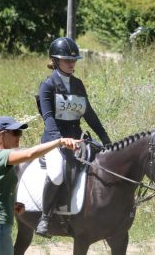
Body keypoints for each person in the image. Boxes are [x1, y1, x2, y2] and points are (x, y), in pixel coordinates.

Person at [35, 37, 111, 237]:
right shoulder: (47, 86)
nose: (71, 63)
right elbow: (48, 117)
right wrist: (60, 140)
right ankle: (45, 217)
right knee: (58, 172)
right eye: (67, 59)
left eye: (74, 60)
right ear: (55, 60)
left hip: (78, 139)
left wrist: (106, 140)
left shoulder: (78, 85)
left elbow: (90, 114)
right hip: (53, 141)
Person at [0, 116, 81, 255]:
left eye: (20, 133)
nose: (19, 136)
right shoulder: (2, 156)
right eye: (15, 133)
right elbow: (30, 153)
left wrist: (9, 205)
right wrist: (59, 142)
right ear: (1, 135)